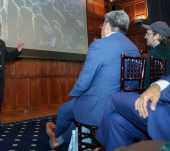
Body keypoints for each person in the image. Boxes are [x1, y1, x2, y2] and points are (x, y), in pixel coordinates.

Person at [46, 10, 140, 149]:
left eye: (102, 26)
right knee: (78, 113)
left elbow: (83, 82)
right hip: (125, 108)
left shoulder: (99, 45)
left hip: (101, 107)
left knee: (64, 110)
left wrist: (74, 95)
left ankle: (55, 136)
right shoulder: (135, 49)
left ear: (107, 26)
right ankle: (59, 140)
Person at [95, 68, 170, 151]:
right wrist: (157, 86)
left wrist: (157, 88)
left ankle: (103, 147)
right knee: (116, 119)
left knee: (112, 98)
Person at [142, 21, 170, 89]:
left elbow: (146, 83)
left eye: (148, 34)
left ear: (157, 36)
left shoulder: (153, 54)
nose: (145, 36)